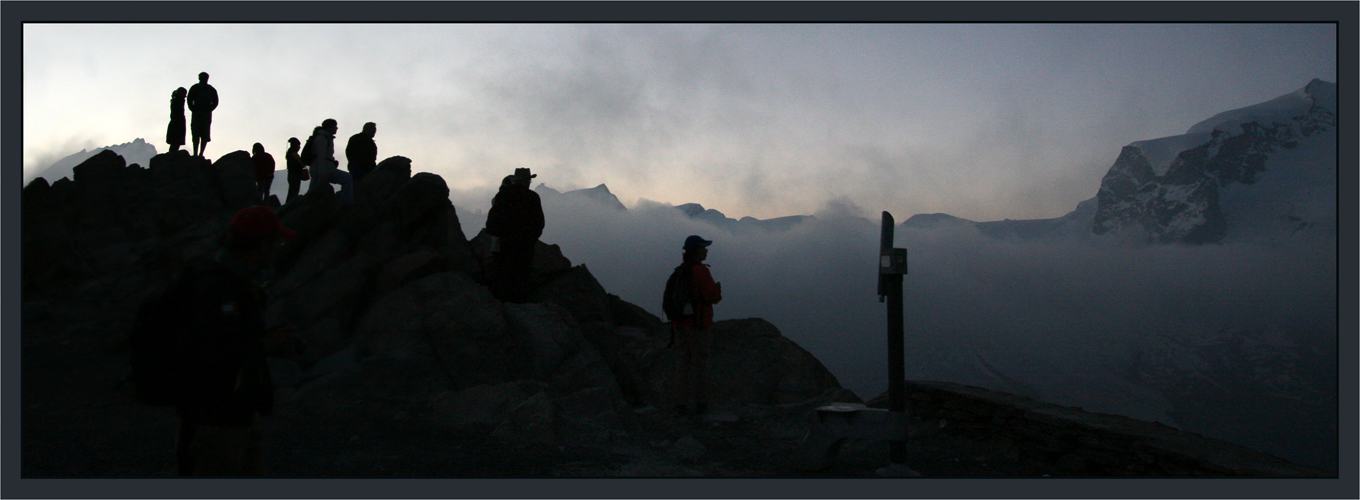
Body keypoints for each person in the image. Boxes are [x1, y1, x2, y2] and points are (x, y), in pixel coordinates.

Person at [174, 206, 301, 476]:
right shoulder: (221, 290)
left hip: (235, 416)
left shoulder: (235, 284)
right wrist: (267, 344)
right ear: (260, 245)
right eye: (275, 242)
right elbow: (214, 355)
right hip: (215, 421)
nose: (278, 248)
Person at [672, 235, 722, 416]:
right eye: (703, 247)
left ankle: (680, 404)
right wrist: (718, 289)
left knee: (682, 363)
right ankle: (701, 403)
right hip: (698, 325)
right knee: (700, 364)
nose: (706, 250)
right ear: (697, 251)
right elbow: (712, 297)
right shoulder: (701, 272)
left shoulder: (680, 270)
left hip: (679, 325)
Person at [484, 168, 544, 303]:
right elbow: (539, 222)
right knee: (521, 273)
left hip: (504, 243)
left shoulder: (503, 195)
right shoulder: (533, 197)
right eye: (529, 180)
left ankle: (501, 301)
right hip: (525, 244)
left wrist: (496, 237)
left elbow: (493, 219)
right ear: (526, 181)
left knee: (503, 273)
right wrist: (532, 238)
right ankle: (520, 302)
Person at [305, 119, 354, 206]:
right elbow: (320, 157)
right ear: (330, 127)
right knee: (347, 178)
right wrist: (321, 174)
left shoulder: (323, 138)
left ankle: (304, 208)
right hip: (323, 170)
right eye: (335, 126)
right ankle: (346, 204)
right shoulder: (322, 139)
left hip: (321, 170)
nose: (337, 128)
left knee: (312, 193)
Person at [187, 72, 219, 158]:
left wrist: (209, 109)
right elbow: (189, 99)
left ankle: (201, 153)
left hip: (205, 114)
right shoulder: (195, 88)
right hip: (197, 113)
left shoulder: (211, 89)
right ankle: (195, 153)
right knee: (196, 133)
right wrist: (193, 108)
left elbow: (215, 101)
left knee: (204, 134)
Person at [283, 137, 306, 205]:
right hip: (295, 175)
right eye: (298, 145)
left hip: (291, 175)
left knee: (291, 193)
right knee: (294, 193)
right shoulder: (294, 154)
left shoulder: (290, 153)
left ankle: (288, 206)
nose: (299, 147)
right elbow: (302, 163)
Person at [166, 87, 187, 153]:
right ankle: (172, 155)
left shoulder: (176, 100)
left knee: (175, 142)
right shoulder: (178, 101)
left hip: (177, 122)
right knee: (176, 141)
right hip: (177, 123)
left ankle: (172, 154)